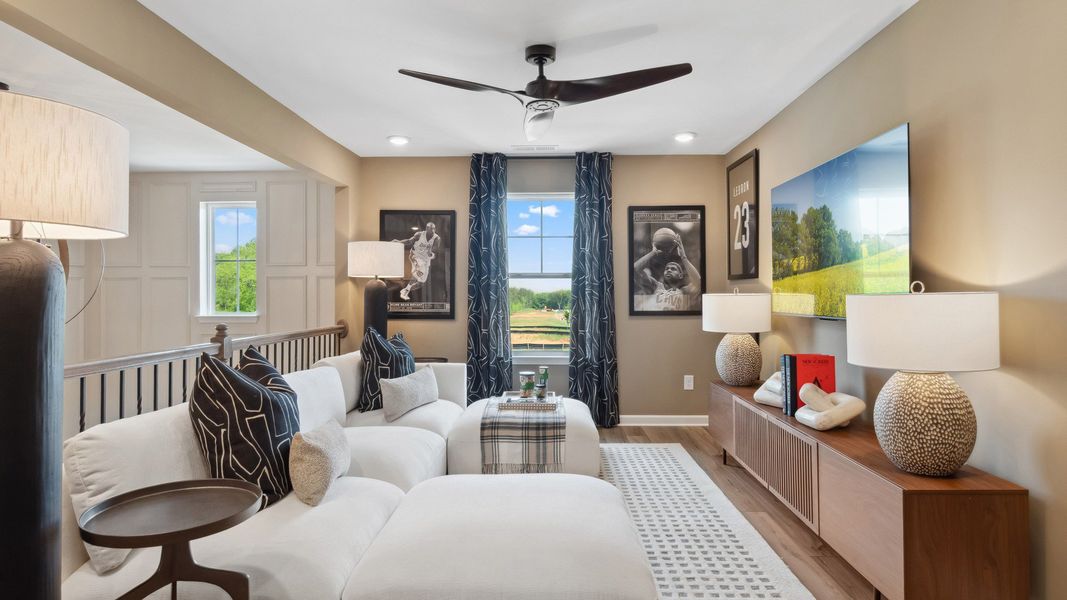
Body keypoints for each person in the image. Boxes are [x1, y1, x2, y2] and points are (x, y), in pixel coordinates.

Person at [633, 227, 701, 310]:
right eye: (667, 268)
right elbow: (634, 270)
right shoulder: (656, 286)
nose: (669, 270)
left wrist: (683, 257)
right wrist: (653, 252)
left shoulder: (684, 292)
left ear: (680, 275)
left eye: (673, 269)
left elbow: (698, 282)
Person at [392, 222, 442, 301]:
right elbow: (409, 241)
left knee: (421, 283)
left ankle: (405, 290)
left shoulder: (436, 238)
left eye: (434, 229)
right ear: (426, 229)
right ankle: (405, 290)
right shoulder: (419, 235)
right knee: (420, 271)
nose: (433, 230)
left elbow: (434, 252)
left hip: (425, 260)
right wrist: (398, 242)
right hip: (415, 256)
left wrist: (430, 252)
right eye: (431, 229)